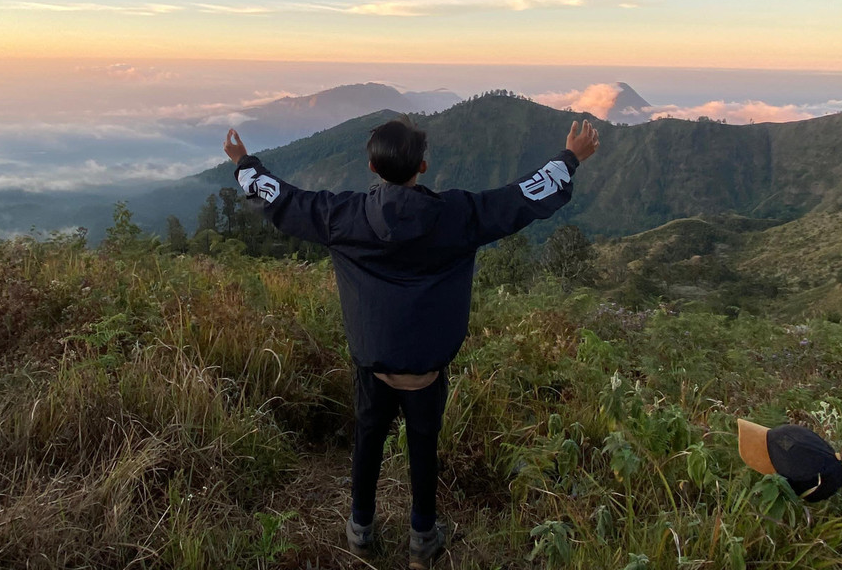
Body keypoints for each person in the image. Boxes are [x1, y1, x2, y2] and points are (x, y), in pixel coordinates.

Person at [223, 115, 598, 567]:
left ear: (371, 168)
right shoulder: (460, 216)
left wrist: (244, 163)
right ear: (422, 166)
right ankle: (422, 536)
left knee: (368, 439)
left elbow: (280, 199)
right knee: (424, 444)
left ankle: (360, 528)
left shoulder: (341, 217)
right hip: (427, 367)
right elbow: (523, 196)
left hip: (373, 364)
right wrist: (570, 158)